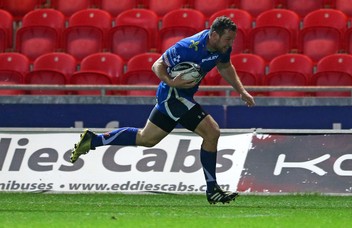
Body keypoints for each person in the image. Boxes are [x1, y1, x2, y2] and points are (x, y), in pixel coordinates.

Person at [70, 16, 256, 204]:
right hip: (172, 96)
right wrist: (170, 81)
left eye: (232, 39)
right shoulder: (187, 47)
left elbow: (225, 66)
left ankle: (93, 140)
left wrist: (241, 91)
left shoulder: (222, 48)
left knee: (147, 139)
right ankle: (212, 189)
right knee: (212, 132)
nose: (231, 43)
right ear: (214, 35)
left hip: (182, 97)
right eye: (228, 39)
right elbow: (157, 64)